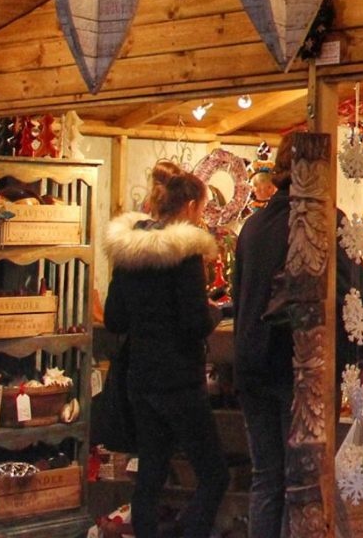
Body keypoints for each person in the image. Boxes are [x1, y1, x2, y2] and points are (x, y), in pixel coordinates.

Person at [232, 139, 363, 538]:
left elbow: (237, 296)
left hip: (253, 366)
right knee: (307, 482)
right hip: (302, 367)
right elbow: (355, 295)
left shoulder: (253, 226)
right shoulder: (325, 220)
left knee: (267, 477)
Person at [104, 170, 226, 538]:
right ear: (190, 206)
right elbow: (194, 323)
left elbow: (114, 318)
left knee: (152, 472)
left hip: (140, 378)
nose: (202, 216)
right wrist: (215, 312)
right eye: (202, 208)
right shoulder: (184, 255)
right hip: (179, 381)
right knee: (214, 475)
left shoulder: (128, 252)